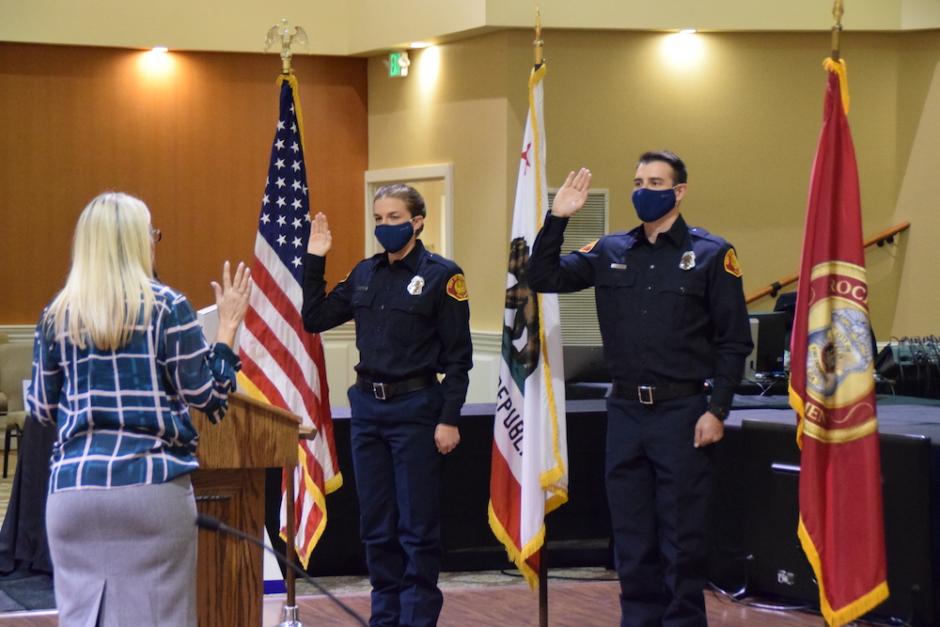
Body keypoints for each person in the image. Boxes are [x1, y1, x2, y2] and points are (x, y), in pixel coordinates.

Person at [527, 152, 752, 626]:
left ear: (679, 191)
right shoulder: (611, 250)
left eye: (655, 181)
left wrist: (717, 409)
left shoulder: (712, 254)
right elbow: (543, 276)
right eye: (637, 180)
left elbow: (734, 341)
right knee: (631, 538)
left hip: (684, 411)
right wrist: (558, 218)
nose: (643, 188)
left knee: (681, 539)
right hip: (626, 411)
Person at [26, 192, 251, 626]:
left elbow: (39, 407)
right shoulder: (168, 306)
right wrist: (226, 329)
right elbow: (209, 397)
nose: (154, 241)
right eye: (151, 234)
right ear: (135, 241)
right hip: (151, 490)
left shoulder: (56, 315)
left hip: (74, 492)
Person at [301, 184, 472, 627]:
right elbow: (314, 317)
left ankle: (416, 618)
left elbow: (458, 357)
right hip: (368, 411)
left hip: (417, 409)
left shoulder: (442, 276)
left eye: (394, 218)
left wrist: (449, 418)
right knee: (376, 524)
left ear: (417, 222)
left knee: (416, 526)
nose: (384, 226)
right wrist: (316, 258)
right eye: (378, 218)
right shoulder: (365, 273)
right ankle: (386, 616)